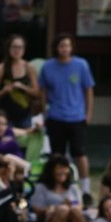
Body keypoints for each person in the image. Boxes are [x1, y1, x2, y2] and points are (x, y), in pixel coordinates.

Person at [37, 35, 95, 179]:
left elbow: (88, 90)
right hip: (55, 116)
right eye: (61, 46)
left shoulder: (81, 65)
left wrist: (88, 114)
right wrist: (44, 112)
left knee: (79, 152)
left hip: (77, 116)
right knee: (56, 154)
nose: (65, 49)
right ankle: (56, 182)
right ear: (56, 48)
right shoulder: (48, 66)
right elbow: (42, 91)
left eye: (67, 46)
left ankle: (86, 187)